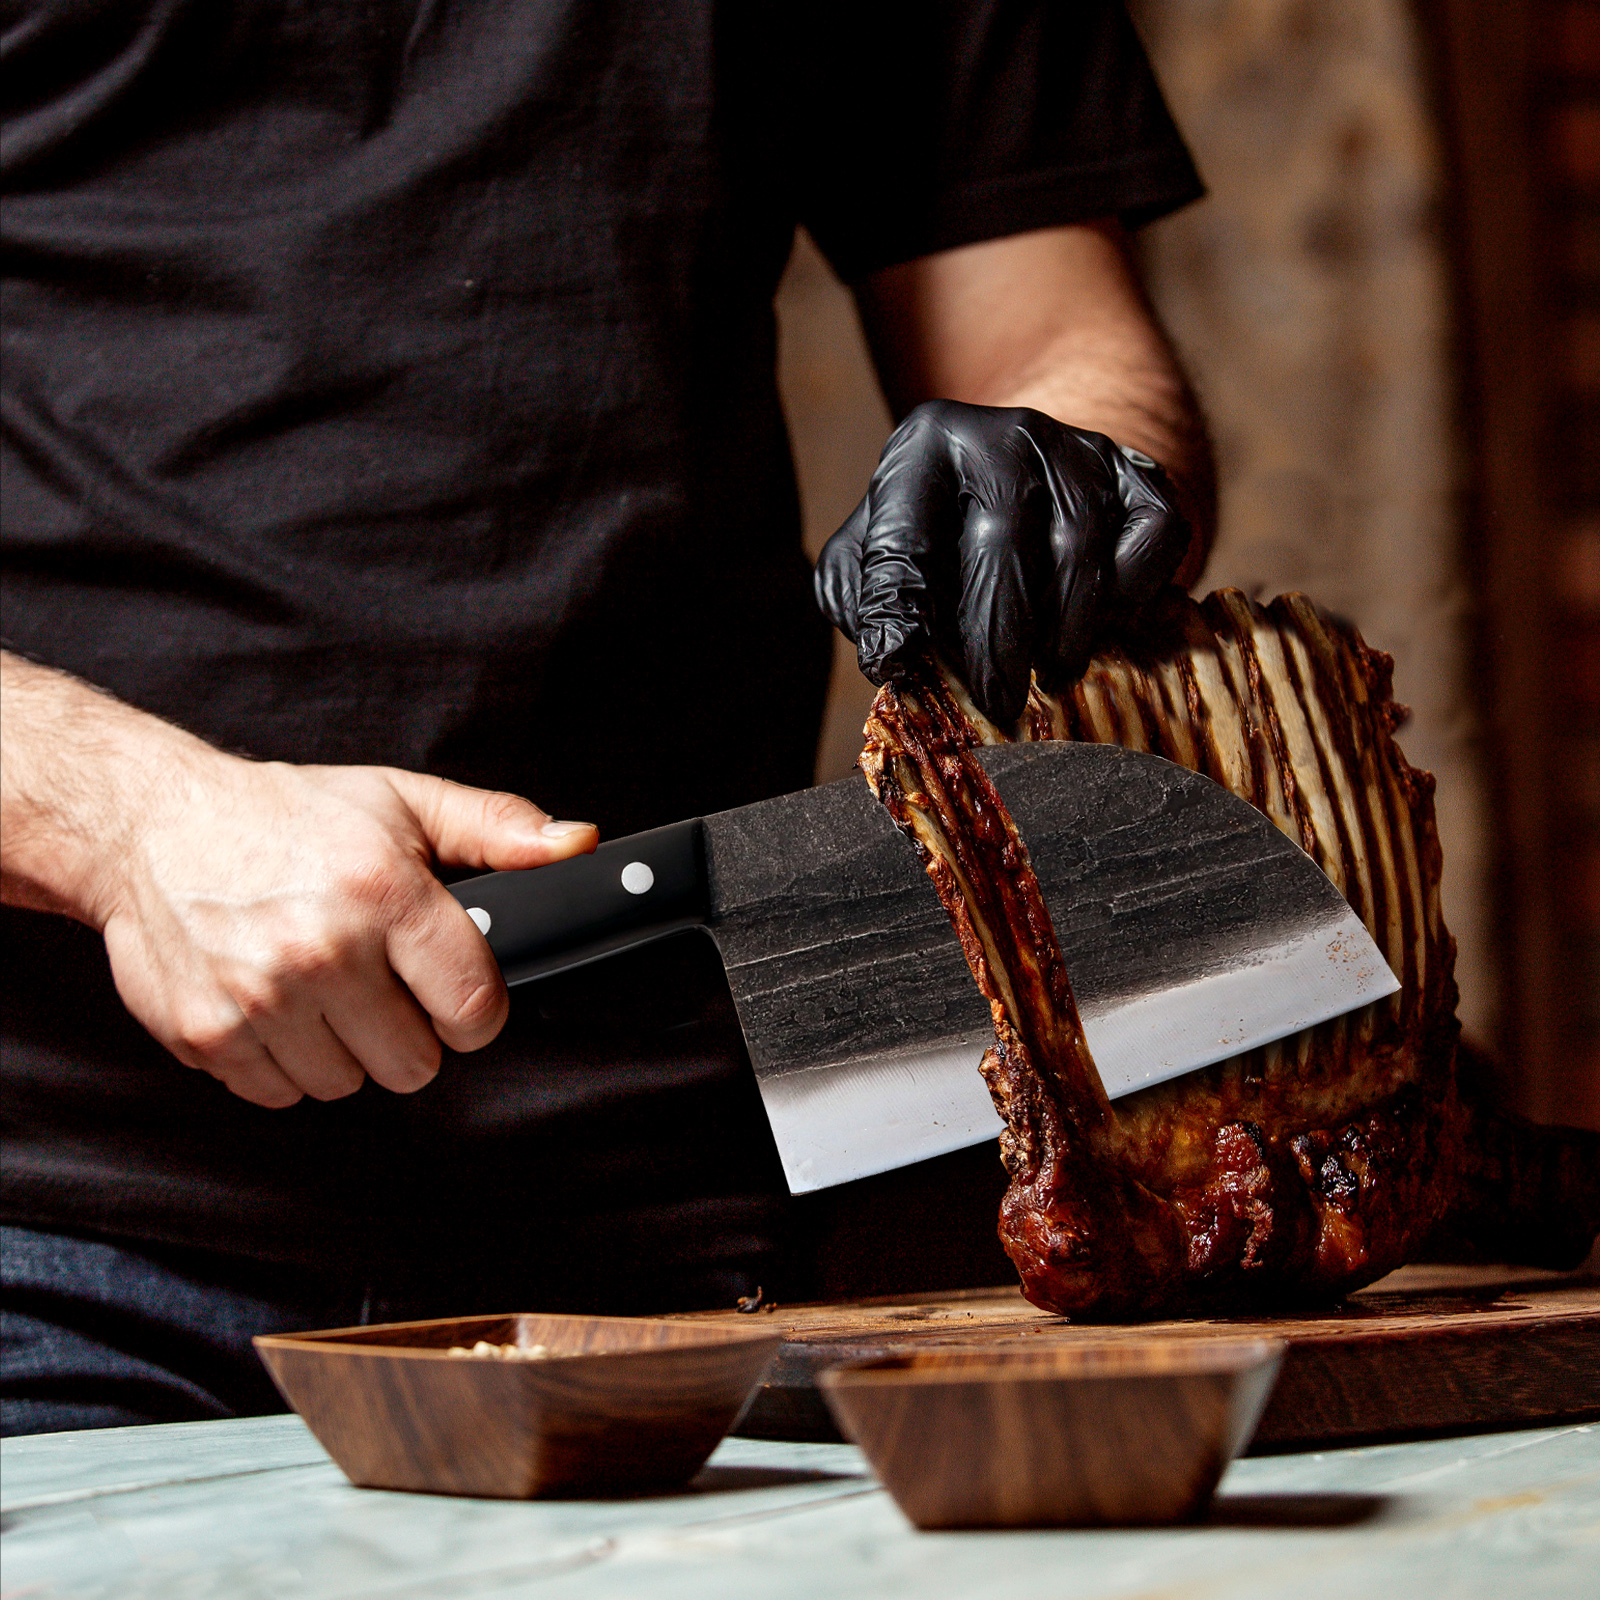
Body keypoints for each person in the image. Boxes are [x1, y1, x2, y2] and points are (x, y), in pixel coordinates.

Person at [0, 0, 1214, 1434]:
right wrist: (127, 821)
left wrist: (1065, 477)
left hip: (695, 1222)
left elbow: (1065, 344)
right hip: (48, 1236)